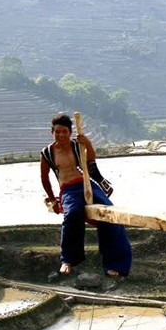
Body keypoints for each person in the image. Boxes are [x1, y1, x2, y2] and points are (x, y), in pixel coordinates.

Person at [40, 113, 132, 277]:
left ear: (70, 132)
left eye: (64, 132)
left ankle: (115, 265)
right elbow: (44, 178)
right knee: (72, 215)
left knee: (111, 216)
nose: (61, 135)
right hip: (68, 189)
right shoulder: (47, 153)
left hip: (88, 185)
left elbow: (91, 161)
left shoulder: (77, 146)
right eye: (57, 132)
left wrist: (87, 143)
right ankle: (68, 260)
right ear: (52, 132)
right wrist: (53, 199)